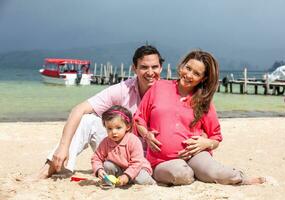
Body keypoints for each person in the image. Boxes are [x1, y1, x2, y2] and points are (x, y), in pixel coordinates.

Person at [134, 49, 265, 186]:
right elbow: (139, 119)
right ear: (182, 66)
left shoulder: (204, 101)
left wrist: (206, 143)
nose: (189, 75)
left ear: (203, 78)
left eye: (196, 73)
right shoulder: (159, 87)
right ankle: (196, 173)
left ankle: (240, 178)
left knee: (219, 173)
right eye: (188, 68)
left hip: (196, 156)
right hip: (161, 160)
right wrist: (147, 135)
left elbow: (216, 137)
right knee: (181, 173)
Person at [35, 45, 164, 179]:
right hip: (120, 155)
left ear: (161, 68)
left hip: (153, 158)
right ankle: (47, 169)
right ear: (134, 68)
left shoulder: (169, 92)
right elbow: (78, 109)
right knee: (87, 120)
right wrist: (63, 147)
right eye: (144, 67)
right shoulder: (123, 89)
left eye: (154, 67)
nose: (150, 72)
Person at [91, 105, 155, 186]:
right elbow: (96, 158)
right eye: (109, 128)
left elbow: (137, 163)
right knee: (107, 165)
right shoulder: (106, 142)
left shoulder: (133, 140)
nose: (113, 132)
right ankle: (118, 182)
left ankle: (152, 183)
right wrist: (98, 170)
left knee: (141, 179)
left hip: (138, 169)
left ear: (127, 126)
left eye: (118, 128)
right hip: (120, 169)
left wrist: (127, 176)